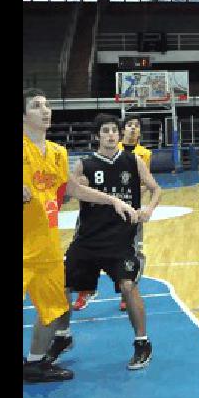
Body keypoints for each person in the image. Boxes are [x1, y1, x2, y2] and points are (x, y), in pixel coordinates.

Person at [23, 89, 138, 383]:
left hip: (46, 247)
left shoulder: (59, 153)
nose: (46, 110)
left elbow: (71, 190)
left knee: (53, 309)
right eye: (37, 106)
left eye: (47, 105)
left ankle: (35, 364)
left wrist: (113, 200)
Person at [48, 114, 162, 370]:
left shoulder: (133, 161)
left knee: (128, 285)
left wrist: (149, 209)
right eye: (106, 131)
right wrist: (69, 188)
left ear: (119, 136)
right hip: (87, 239)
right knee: (63, 287)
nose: (111, 135)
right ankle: (63, 336)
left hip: (121, 239)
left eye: (114, 131)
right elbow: (67, 194)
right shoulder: (85, 164)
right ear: (97, 136)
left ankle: (142, 343)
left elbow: (156, 188)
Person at [72, 115, 154, 312]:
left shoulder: (142, 155)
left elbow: (147, 183)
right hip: (95, 217)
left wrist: (144, 204)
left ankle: (127, 290)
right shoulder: (88, 163)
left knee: (131, 254)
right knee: (84, 254)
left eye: (136, 126)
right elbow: (72, 189)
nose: (132, 129)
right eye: (129, 125)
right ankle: (85, 290)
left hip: (126, 216)